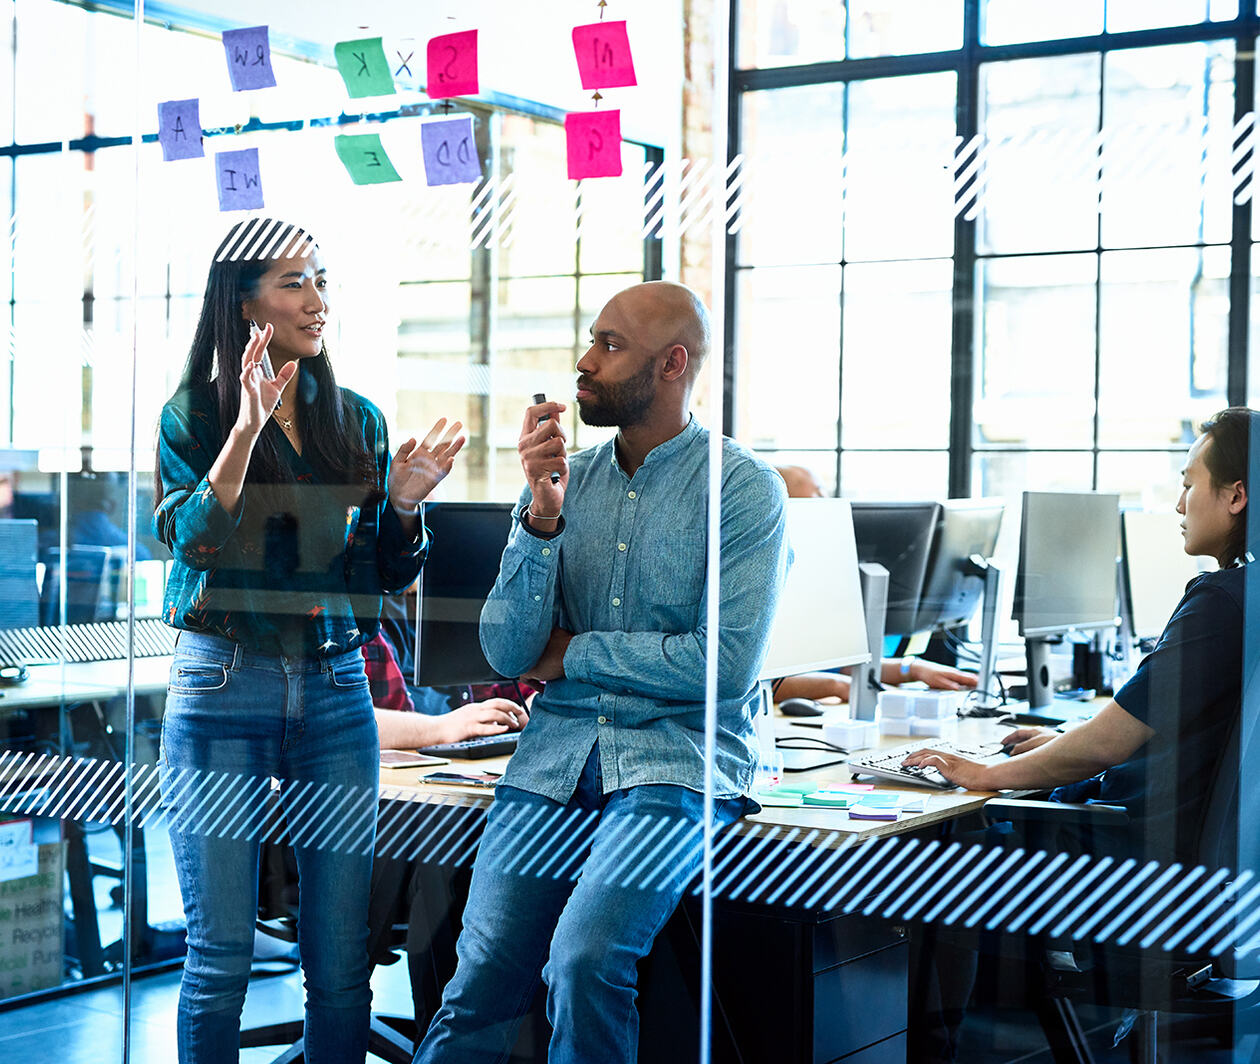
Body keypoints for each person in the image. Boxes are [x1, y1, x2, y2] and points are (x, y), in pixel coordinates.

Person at [413, 281, 790, 1064]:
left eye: (610, 347)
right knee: (478, 976)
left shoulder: (743, 488)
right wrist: (540, 518)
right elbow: (510, 652)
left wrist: (573, 652)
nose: (585, 362)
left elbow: (720, 666)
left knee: (585, 961)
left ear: (673, 364)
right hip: (554, 758)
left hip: (675, 761)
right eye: (591, 339)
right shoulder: (567, 481)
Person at [153, 218, 464, 1064]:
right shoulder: (195, 416)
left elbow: (374, 582)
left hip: (334, 692)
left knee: (339, 966)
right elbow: (196, 543)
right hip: (225, 685)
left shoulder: (354, 420)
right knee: (219, 960)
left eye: (321, 280)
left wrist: (403, 506)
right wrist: (247, 430)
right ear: (242, 300)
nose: (317, 300)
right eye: (295, 282)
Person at [902, 406, 1253, 864]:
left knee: (921, 851)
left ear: (1235, 496)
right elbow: (1159, 729)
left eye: (1188, 485)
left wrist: (986, 771)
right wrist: (1062, 743)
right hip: (1178, 852)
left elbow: (1108, 745)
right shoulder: (1248, 595)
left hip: (1122, 856)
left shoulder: (1220, 603)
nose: (1179, 504)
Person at [772, 464, 976, 701]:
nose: (826, 502)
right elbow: (759, 680)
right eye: (817, 494)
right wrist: (839, 686)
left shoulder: (815, 578)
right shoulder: (766, 582)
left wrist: (912, 669)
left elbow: (841, 663)